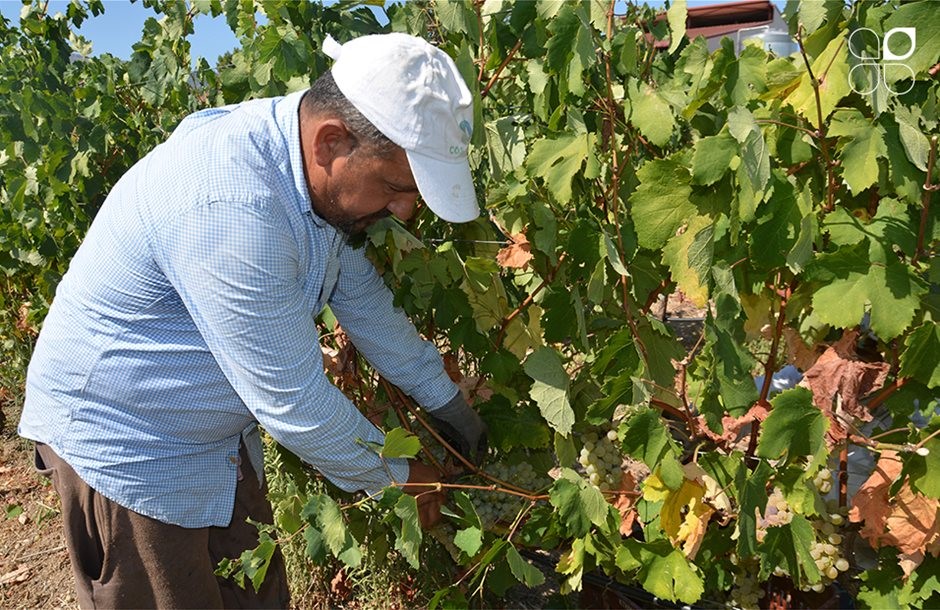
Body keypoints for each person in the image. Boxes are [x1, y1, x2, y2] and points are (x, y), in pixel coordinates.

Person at [18, 32, 488, 608]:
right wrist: (403, 476)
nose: (404, 209)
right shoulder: (235, 205)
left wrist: (445, 401)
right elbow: (293, 403)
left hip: (212, 435)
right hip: (128, 446)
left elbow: (361, 299)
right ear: (331, 142)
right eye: (395, 187)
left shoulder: (309, 182)